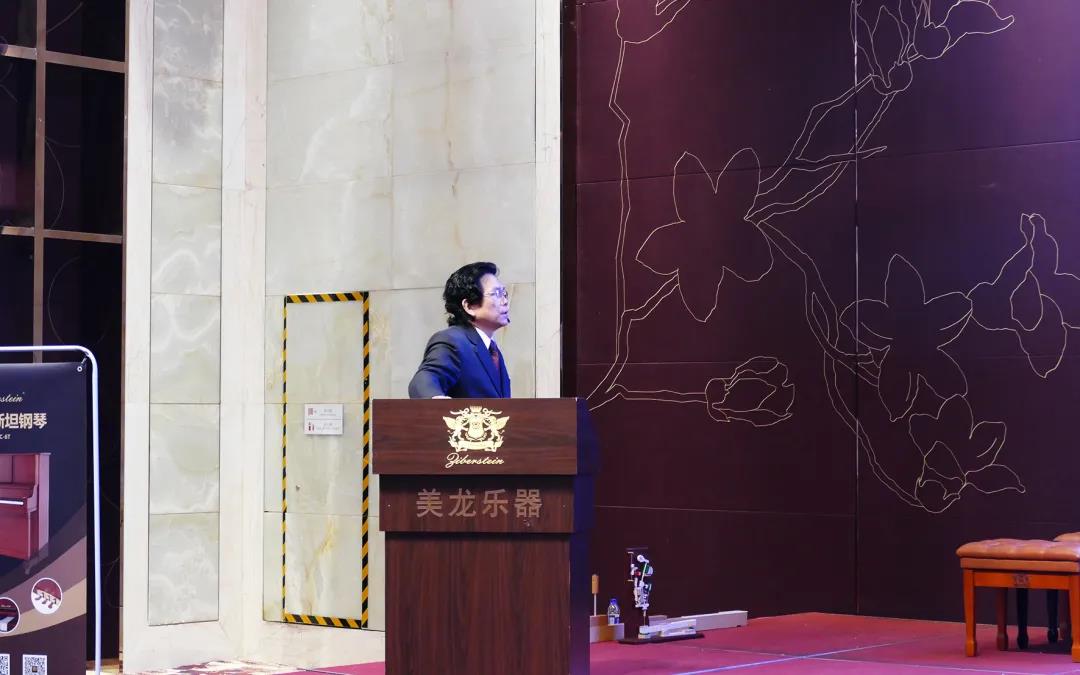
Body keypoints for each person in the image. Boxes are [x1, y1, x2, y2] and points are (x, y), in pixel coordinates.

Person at [408, 262, 512, 398]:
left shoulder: (492, 351)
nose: (505, 301)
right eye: (496, 294)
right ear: (469, 306)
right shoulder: (452, 341)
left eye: (504, 293)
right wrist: (435, 401)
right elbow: (424, 380)